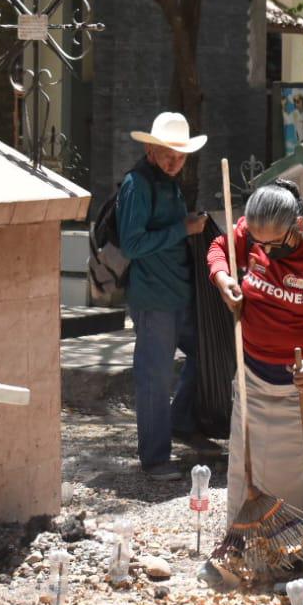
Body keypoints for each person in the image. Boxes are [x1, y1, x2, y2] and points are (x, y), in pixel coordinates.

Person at [207, 182, 303, 531]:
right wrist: (222, 279)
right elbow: (219, 248)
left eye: (275, 245)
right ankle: (247, 545)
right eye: (258, 243)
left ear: (298, 224)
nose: (264, 250)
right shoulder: (253, 233)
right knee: (248, 467)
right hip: (256, 376)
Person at [118, 111, 209, 479]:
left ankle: (180, 421)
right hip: (153, 298)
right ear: (150, 149)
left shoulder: (165, 182)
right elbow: (132, 244)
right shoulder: (136, 184)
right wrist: (182, 228)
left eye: (181, 155)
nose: (175, 161)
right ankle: (155, 458)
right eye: (168, 153)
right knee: (154, 377)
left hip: (180, 293)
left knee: (209, 352)